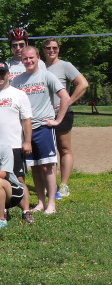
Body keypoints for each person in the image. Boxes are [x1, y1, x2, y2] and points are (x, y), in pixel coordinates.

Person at [12, 46, 70, 215]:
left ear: (38, 58)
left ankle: (52, 203)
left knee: (47, 167)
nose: (28, 61)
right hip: (27, 130)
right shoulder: (17, 81)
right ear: (21, 60)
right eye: (25, 58)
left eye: (31, 58)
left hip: (44, 127)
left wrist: (58, 120)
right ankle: (40, 202)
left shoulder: (47, 75)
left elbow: (65, 97)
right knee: (35, 168)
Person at [0, 61, 35, 223]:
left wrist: (27, 141)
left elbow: (26, 120)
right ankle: (3, 211)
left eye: (2, 73)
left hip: (14, 145)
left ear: (8, 74)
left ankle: (26, 211)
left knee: (19, 179)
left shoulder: (18, 94)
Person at [42, 37, 88, 199]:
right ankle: (51, 185)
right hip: (45, 116)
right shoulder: (40, 66)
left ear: (58, 49)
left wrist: (67, 102)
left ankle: (64, 185)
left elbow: (83, 84)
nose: (51, 51)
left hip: (63, 115)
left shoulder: (65, 66)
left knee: (64, 148)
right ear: (44, 50)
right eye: (48, 48)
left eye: (54, 48)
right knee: (50, 151)